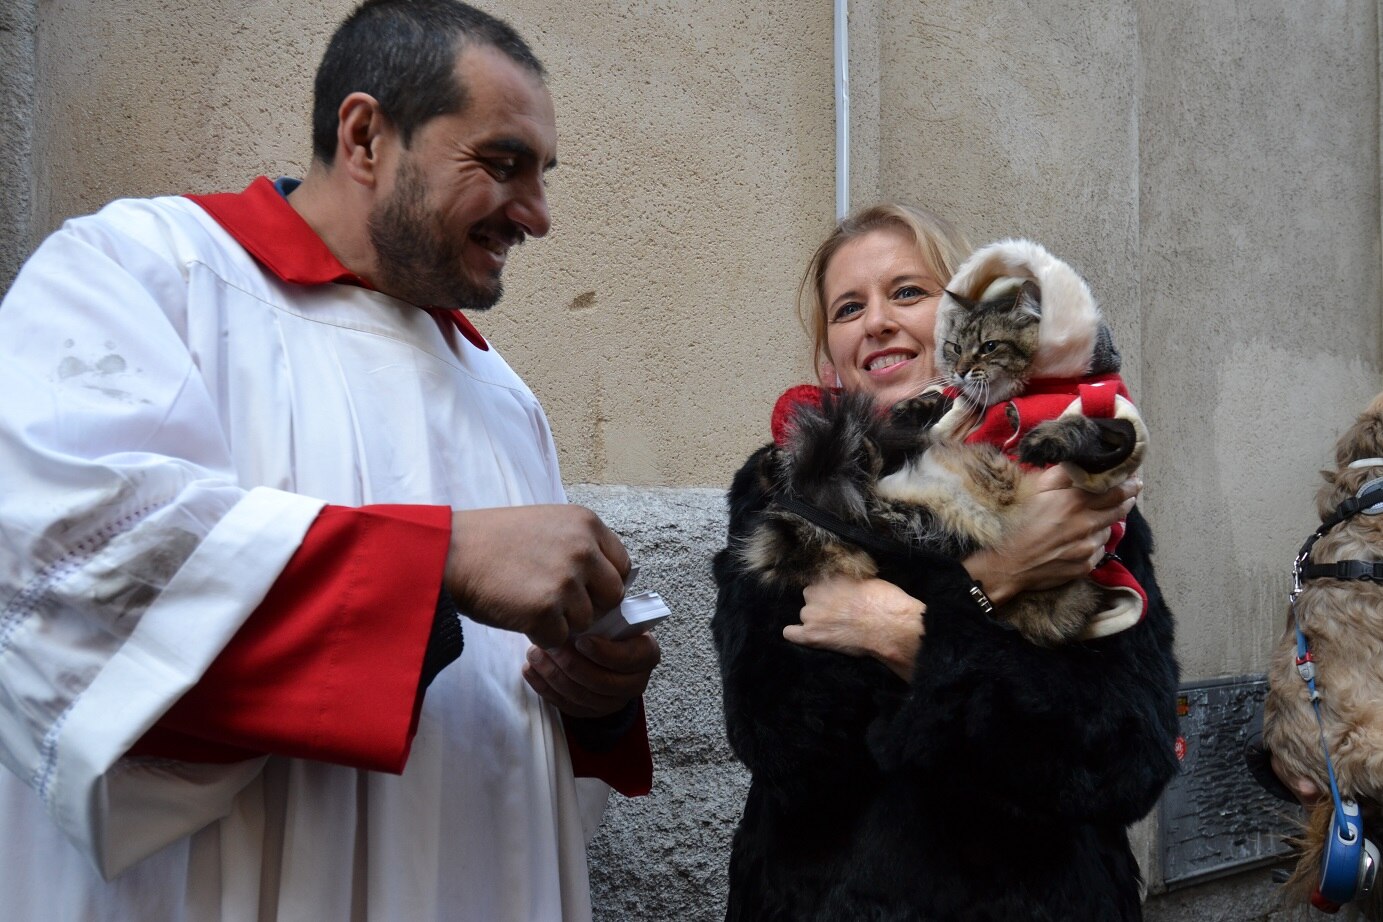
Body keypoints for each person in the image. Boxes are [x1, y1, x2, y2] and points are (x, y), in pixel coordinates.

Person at [0, 2, 659, 920]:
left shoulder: (501, 395)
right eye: (502, 165)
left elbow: (515, 736)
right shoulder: (137, 274)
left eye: (543, 176)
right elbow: (70, 574)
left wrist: (594, 699)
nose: (538, 217)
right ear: (364, 137)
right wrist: (440, 563)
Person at [712, 202, 1181, 919]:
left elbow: (1126, 757)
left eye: (907, 292)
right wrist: (991, 584)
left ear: (965, 316)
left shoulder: (1063, 481)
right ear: (826, 355)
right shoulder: (789, 486)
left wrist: (909, 637)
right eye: (848, 308)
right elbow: (779, 736)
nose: (876, 322)